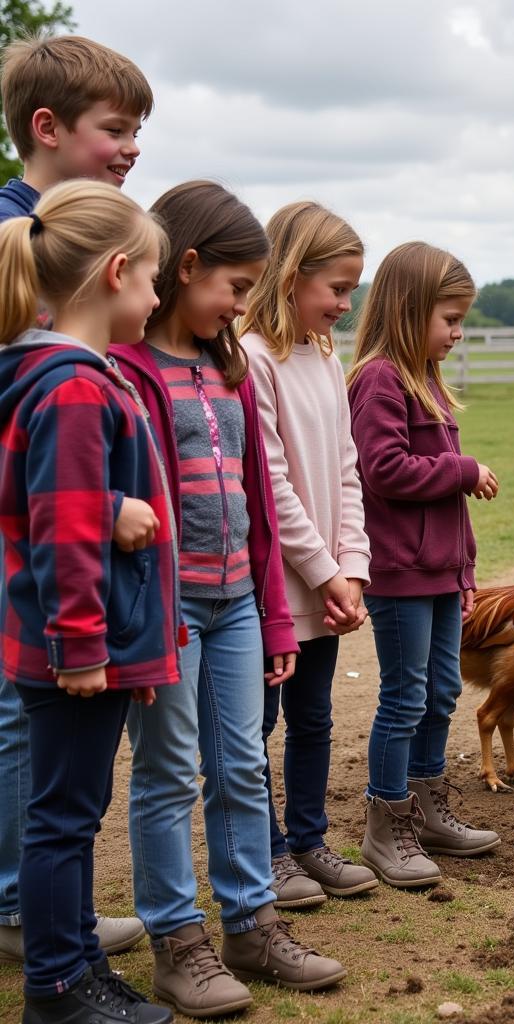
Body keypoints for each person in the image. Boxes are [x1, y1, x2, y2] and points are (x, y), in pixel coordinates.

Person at [111, 181, 346, 1019]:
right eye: (235, 289)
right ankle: (177, 941)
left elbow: (252, 493)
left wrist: (276, 613)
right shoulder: (125, 369)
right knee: (170, 772)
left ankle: (252, 922)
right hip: (165, 611)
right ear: (186, 268)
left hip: (239, 603)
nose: (240, 307)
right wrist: (144, 618)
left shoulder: (230, 368)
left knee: (243, 762)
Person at [0, 180, 176, 1024]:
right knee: (62, 823)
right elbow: (63, 527)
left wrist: (131, 646)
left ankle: (79, 969)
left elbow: (68, 502)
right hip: (75, 649)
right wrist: (84, 650)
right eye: (151, 278)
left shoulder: (76, 376)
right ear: (114, 273)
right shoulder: (71, 385)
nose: (156, 295)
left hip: (99, 642)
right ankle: (58, 993)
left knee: (72, 816)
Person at [346, 240, 502, 889]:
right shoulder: (379, 379)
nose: (458, 333)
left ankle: (428, 806)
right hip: (402, 576)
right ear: (410, 312)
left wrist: (464, 573)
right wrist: (462, 470)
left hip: (438, 575)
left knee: (440, 691)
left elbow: (447, 513)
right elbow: (382, 470)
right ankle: (387, 824)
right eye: (450, 319)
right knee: (405, 695)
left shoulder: (425, 380)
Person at [238, 201, 378, 909]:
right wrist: (324, 571)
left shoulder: (326, 358)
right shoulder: (253, 360)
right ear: (292, 276)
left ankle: (308, 841)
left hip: (328, 588)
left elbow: (347, 470)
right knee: (259, 727)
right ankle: (265, 856)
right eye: (338, 288)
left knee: (316, 718)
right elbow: (272, 484)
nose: (347, 305)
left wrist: (351, 570)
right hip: (276, 590)